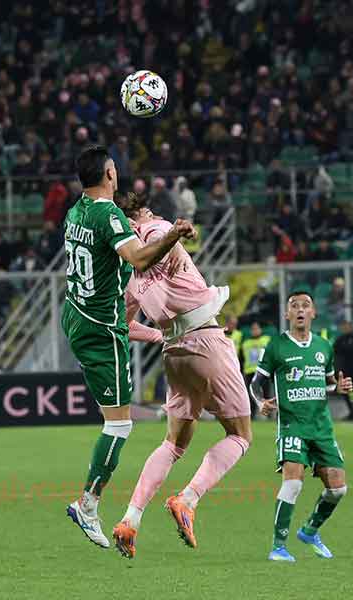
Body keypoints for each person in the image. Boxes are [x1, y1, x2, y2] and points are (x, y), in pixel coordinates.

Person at [62, 145, 196, 549]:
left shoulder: (76, 211)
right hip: (102, 329)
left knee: (115, 419)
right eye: (114, 168)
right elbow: (138, 259)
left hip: (76, 313)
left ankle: (89, 503)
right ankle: (87, 504)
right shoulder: (108, 214)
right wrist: (173, 234)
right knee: (119, 424)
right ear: (109, 174)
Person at [111, 192, 251, 558]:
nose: (153, 214)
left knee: (174, 444)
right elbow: (159, 236)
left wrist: (159, 335)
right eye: (147, 210)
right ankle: (187, 499)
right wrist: (176, 231)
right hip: (206, 339)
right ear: (137, 216)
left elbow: (123, 325)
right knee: (240, 435)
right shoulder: (155, 229)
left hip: (174, 351)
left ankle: (130, 519)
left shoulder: (130, 274)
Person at [251, 290, 353, 562]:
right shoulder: (276, 346)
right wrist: (260, 402)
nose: (300, 309)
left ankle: (310, 531)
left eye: (305, 305)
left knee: (338, 489)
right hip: (292, 426)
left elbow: (327, 383)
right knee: (293, 484)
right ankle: (278, 547)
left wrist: (338, 388)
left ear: (313, 313)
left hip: (321, 427)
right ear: (287, 314)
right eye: (294, 306)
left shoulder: (323, 346)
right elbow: (256, 383)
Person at [241, 322, 271, 418]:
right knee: (250, 395)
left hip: (263, 371)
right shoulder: (246, 343)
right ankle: (251, 415)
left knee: (266, 393)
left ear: (261, 329)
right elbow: (242, 357)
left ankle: (268, 414)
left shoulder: (266, 339)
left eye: (257, 328)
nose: (255, 331)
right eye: (253, 329)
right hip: (249, 372)